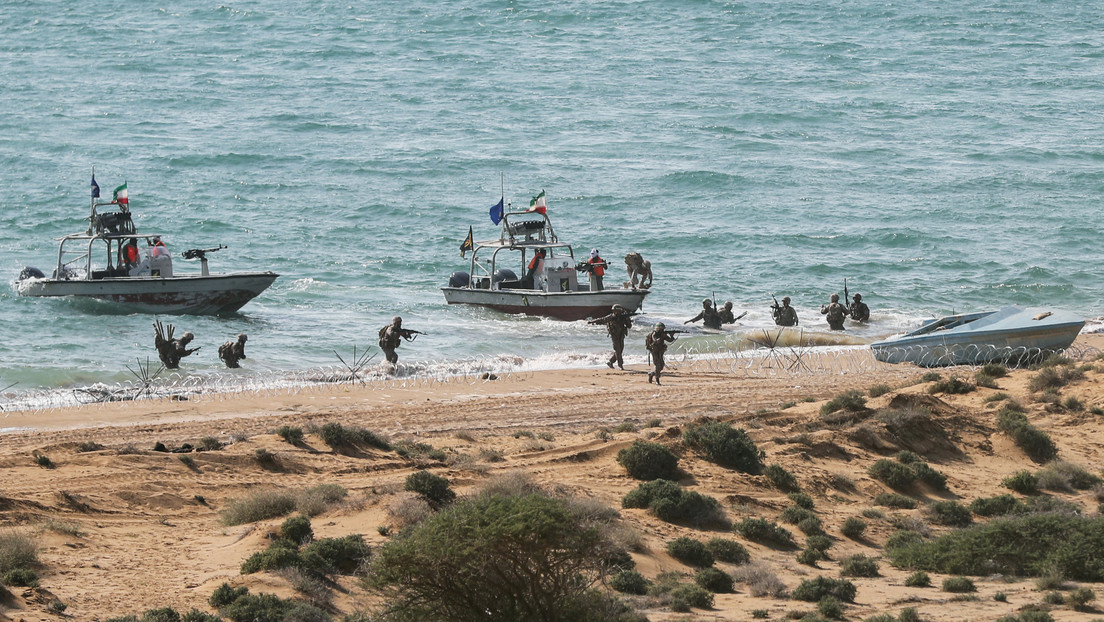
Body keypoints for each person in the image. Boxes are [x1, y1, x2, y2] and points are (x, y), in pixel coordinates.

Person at [588, 304, 633, 370]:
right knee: (617, 350)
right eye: (614, 311)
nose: (615, 313)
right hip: (614, 336)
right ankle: (620, 365)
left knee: (620, 351)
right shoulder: (611, 317)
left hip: (621, 335)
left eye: (617, 311)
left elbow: (629, 326)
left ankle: (610, 362)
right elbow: (602, 319)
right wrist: (592, 321)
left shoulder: (623, 317)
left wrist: (627, 319)